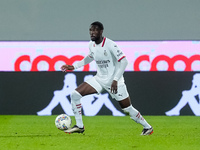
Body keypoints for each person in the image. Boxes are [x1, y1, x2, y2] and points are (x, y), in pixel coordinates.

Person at [61, 21, 153, 135]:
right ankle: (80, 126)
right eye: (90, 30)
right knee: (75, 95)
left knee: (127, 109)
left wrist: (115, 80)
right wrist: (73, 66)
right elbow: (90, 57)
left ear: (101, 31)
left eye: (95, 30)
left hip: (115, 82)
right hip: (99, 80)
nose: (92, 32)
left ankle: (147, 127)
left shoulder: (110, 44)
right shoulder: (91, 44)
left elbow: (124, 61)